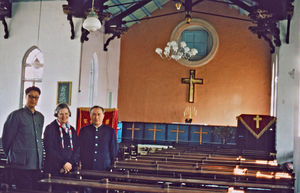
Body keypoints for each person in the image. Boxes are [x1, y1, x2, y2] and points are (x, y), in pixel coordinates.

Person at [2, 86, 44, 190]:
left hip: (36, 163)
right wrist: (13, 157)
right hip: (20, 164)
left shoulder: (40, 117)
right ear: (26, 97)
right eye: (30, 96)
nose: (33, 99)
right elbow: (6, 139)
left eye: (36, 97)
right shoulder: (16, 115)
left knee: (35, 190)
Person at [43, 103, 80, 176]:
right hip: (55, 168)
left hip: (70, 168)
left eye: (66, 113)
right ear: (56, 114)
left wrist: (70, 163)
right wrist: (63, 163)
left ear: (69, 114)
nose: (64, 116)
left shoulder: (72, 129)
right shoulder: (50, 128)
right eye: (61, 114)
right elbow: (49, 149)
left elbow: (77, 148)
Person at [79, 106, 117, 171]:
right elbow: (79, 147)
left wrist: (112, 164)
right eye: (94, 114)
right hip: (87, 166)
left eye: (99, 114)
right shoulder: (84, 130)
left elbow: (113, 150)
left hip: (104, 166)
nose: (96, 117)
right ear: (90, 116)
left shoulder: (110, 131)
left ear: (103, 116)